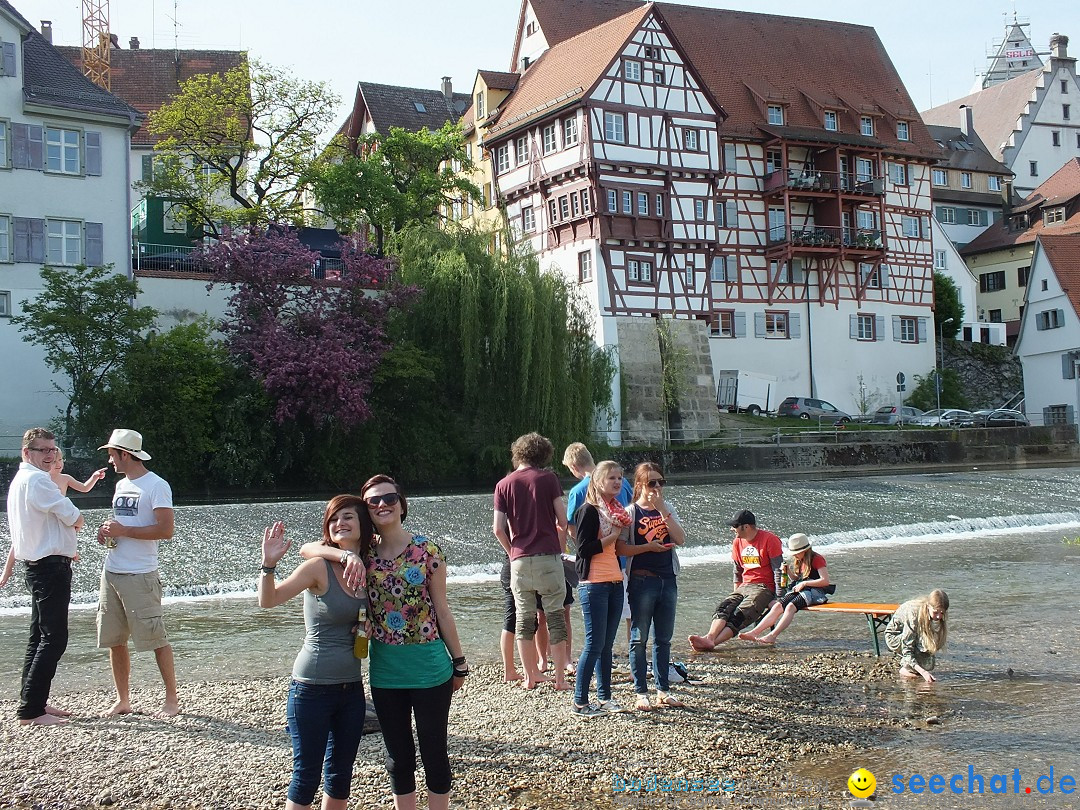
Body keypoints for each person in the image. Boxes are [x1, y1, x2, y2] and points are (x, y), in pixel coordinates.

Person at [310, 475, 466, 810]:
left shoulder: (428, 551)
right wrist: (345, 557)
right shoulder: (362, 553)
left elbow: (442, 610)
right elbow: (310, 549)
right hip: (385, 672)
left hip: (430, 669)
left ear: (402, 504)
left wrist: (460, 661)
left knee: (434, 752)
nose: (382, 505)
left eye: (389, 498)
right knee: (398, 755)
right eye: (373, 501)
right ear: (367, 510)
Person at [259, 496, 369, 810]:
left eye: (348, 517)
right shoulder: (318, 567)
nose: (340, 524)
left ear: (363, 524)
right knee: (306, 775)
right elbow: (269, 601)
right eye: (334, 519)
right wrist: (268, 566)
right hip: (311, 689)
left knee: (340, 775)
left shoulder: (368, 567)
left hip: (352, 690)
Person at [0, 428, 84, 726]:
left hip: (37, 567)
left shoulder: (21, 480)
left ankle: (33, 702)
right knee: (54, 638)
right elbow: (76, 517)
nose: (49, 455)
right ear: (27, 453)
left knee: (39, 637)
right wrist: (74, 523)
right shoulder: (38, 481)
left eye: (52, 449)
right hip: (49, 568)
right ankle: (31, 710)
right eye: (42, 450)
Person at [95, 429, 179, 717]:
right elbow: (120, 527)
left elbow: (166, 530)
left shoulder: (157, 485)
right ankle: (123, 700)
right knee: (115, 640)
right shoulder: (121, 486)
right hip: (112, 570)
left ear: (126, 455)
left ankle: (171, 700)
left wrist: (124, 531)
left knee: (156, 639)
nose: (109, 459)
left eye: (112, 454)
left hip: (141, 574)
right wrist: (105, 533)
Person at [493, 432, 571, 690]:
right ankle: (560, 680)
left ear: (519, 454)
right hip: (547, 557)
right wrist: (558, 544)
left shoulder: (504, 484)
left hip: (519, 561)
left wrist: (513, 550)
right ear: (543, 454)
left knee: (524, 619)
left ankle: (529, 677)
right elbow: (562, 520)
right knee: (555, 617)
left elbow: (498, 529)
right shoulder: (548, 479)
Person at [617, 462, 686, 710]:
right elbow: (621, 548)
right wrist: (647, 547)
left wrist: (662, 511)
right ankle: (640, 692)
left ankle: (663, 690)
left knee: (663, 638)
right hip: (642, 579)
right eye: (651, 483)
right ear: (639, 485)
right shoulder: (631, 512)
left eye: (660, 482)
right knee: (639, 637)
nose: (657, 487)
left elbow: (680, 539)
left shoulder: (668, 509)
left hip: (668, 579)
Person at [571, 460, 630, 717]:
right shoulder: (589, 511)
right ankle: (580, 702)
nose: (617, 482)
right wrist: (612, 537)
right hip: (593, 583)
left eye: (619, 478)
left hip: (615, 580)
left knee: (607, 644)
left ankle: (605, 698)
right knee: (594, 643)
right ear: (598, 481)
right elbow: (582, 550)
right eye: (611, 478)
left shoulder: (616, 511)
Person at [563, 442, 634, 646]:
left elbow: (572, 529)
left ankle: (605, 659)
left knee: (597, 631)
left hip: (597, 566)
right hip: (624, 558)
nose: (616, 481)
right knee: (630, 613)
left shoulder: (578, 491)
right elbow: (631, 512)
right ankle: (633, 656)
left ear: (574, 466)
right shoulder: (625, 484)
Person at [688, 509, 782, 651]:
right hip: (744, 586)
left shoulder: (770, 539)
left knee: (740, 615)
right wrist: (736, 593)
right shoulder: (737, 542)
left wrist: (779, 596)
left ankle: (714, 643)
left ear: (746, 527)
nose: (732, 529)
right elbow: (737, 571)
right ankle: (709, 637)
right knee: (724, 608)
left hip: (764, 587)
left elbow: (778, 569)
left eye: (735, 526)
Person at [739, 533, 831, 645]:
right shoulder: (800, 560)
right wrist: (789, 572)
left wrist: (805, 583)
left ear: (805, 550)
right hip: (802, 589)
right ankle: (754, 632)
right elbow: (799, 578)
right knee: (778, 605)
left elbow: (825, 581)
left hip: (815, 592)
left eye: (796, 553)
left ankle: (772, 636)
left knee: (790, 607)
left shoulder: (817, 559)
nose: (795, 556)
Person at [885, 589, 950, 683]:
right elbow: (907, 648)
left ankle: (913, 668)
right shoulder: (914, 614)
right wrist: (923, 672)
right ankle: (905, 670)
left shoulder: (930, 613)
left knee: (928, 663)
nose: (939, 616)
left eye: (942, 613)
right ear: (928, 606)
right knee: (918, 661)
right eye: (936, 612)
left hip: (910, 633)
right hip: (894, 637)